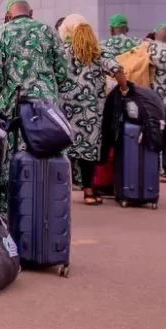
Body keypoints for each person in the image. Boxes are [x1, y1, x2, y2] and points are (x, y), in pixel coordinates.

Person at [0, 0, 72, 213]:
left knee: (9, 158)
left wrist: (0, 96)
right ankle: (48, 204)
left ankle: (7, 210)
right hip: (45, 107)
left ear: (8, 14)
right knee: (49, 152)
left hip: (13, 107)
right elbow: (63, 71)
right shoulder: (48, 31)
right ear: (30, 12)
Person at [57, 16, 127, 204]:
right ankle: (89, 192)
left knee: (67, 148)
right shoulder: (98, 51)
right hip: (92, 112)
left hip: (66, 109)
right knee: (88, 150)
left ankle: (62, 192)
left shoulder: (62, 51)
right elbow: (117, 70)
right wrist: (124, 88)